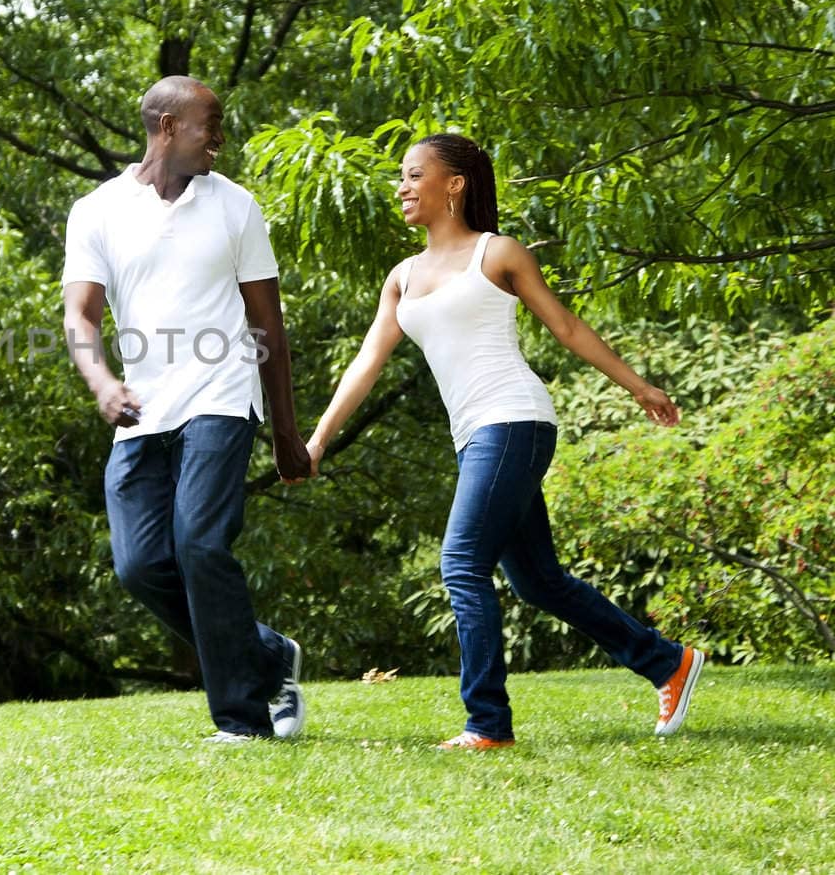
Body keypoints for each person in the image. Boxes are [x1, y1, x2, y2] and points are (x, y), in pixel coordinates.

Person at [305, 133, 705, 750]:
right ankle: (667, 663)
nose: (403, 187)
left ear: (454, 185)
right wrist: (318, 440)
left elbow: (566, 326)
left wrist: (639, 386)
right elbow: (367, 361)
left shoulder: (497, 253)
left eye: (415, 175)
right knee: (538, 581)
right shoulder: (402, 277)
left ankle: (486, 723)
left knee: (462, 563)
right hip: (475, 434)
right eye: (402, 177)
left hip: (514, 417)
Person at [61, 75, 313, 743]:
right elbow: (80, 317)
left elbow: (269, 328)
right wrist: (101, 383)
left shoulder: (237, 207)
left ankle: (243, 718)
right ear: (168, 128)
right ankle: (265, 654)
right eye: (211, 124)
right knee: (140, 564)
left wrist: (286, 432)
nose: (221, 138)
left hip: (223, 395)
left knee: (200, 541)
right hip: (143, 407)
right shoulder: (96, 210)